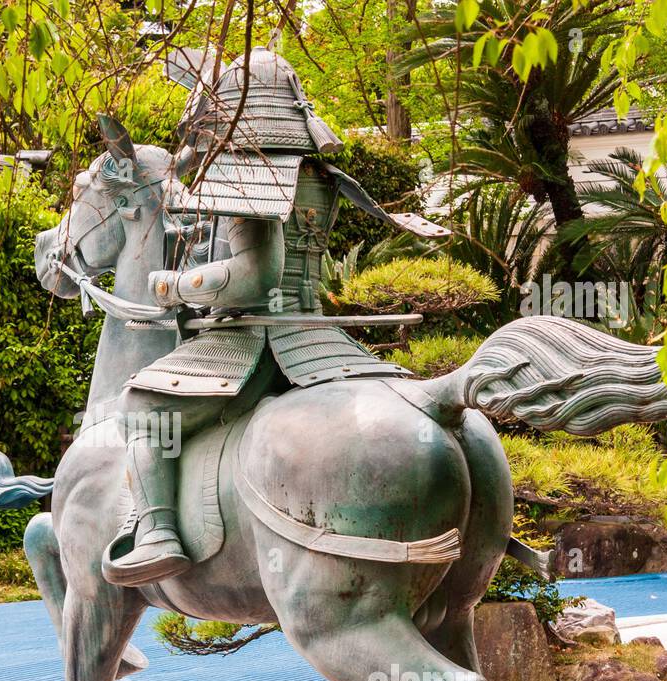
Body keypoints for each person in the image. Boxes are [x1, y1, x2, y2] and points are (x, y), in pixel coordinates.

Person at [104, 46, 431, 586]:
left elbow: (256, 275)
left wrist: (172, 285)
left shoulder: (245, 169)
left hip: (254, 341)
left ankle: (158, 534)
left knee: (143, 408)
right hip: (318, 338)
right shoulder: (319, 171)